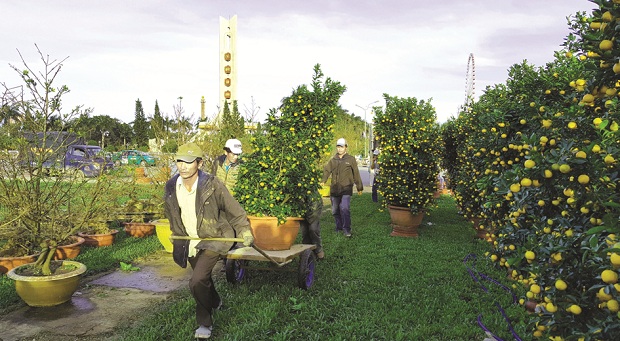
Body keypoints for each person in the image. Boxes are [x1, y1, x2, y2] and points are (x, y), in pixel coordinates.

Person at [164, 142, 253, 339]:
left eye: (188, 162)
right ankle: (215, 301)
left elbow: (235, 210)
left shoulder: (212, 184)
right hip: (188, 239)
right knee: (203, 278)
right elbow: (171, 213)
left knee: (196, 281)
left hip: (214, 237)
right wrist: (175, 232)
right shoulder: (171, 185)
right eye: (179, 161)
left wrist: (244, 231)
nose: (183, 166)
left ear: (199, 163)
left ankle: (204, 323)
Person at [320, 138, 363, 237]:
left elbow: (356, 173)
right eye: (338, 147)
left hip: (346, 189)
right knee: (335, 211)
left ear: (346, 147)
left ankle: (347, 229)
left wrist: (359, 187)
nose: (339, 149)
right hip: (335, 189)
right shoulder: (333, 160)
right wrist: (323, 180)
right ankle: (338, 227)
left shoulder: (351, 159)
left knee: (344, 208)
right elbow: (327, 170)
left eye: (341, 147)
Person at [300, 191, 325, 259]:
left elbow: (314, 209)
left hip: (314, 208)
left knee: (313, 229)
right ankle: (307, 253)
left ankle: (318, 250)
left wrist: (309, 220)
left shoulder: (312, 193)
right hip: (302, 209)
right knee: (305, 232)